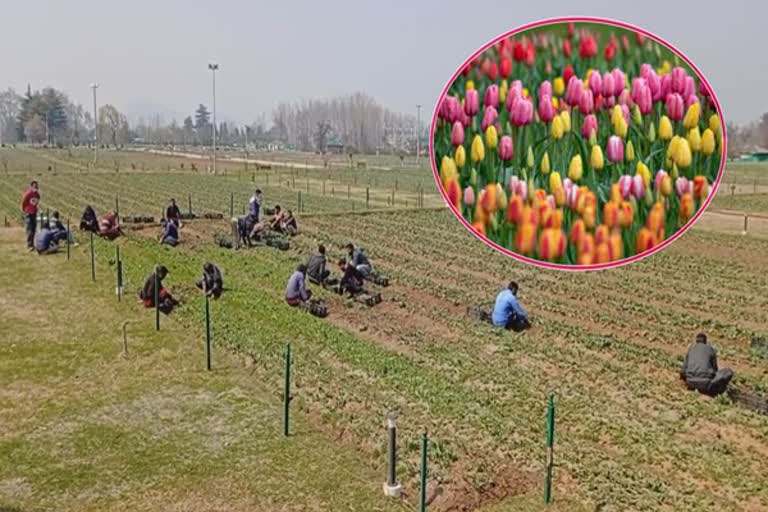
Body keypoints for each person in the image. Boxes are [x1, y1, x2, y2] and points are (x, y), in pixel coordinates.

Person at [21, 180, 40, 250]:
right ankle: (29, 245)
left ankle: (32, 244)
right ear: (31, 186)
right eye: (35, 186)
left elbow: (38, 199)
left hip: (34, 213)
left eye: (37, 186)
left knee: (34, 229)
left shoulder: (36, 194)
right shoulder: (28, 193)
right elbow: (24, 201)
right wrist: (24, 210)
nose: (36, 187)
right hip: (28, 213)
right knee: (30, 229)